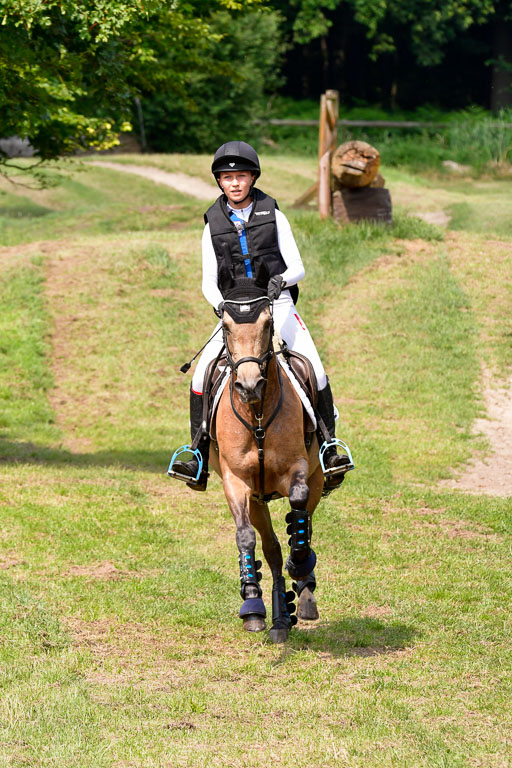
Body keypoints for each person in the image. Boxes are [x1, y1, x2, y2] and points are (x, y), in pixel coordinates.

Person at [172, 140, 349, 492]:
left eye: (241, 176)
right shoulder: (212, 224)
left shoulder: (275, 215)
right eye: (227, 177)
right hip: (235, 313)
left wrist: (279, 282)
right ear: (220, 182)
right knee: (201, 373)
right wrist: (222, 308)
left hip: (277, 304)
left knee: (312, 366)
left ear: (252, 178)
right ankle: (198, 455)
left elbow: (297, 266)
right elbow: (208, 281)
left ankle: (329, 446)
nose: (234, 183)